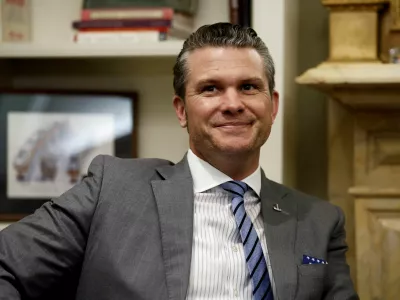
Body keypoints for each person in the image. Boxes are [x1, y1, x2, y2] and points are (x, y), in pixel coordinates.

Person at [0, 23, 358, 300]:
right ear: (181, 110)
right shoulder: (112, 189)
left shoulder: (321, 222)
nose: (233, 103)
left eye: (249, 87)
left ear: (273, 105)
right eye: (210, 88)